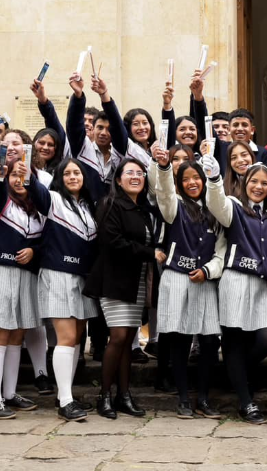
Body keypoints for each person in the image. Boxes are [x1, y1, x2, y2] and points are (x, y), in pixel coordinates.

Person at [203, 157, 267, 425]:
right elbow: (216, 203)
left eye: (264, 183)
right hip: (235, 279)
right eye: (254, 181)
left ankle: (235, 375)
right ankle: (246, 403)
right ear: (245, 183)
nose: (258, 186)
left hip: (262, 284)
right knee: (234, 340)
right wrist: (214, 178)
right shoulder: (233, 206)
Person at [154, 148, 225, 420]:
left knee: (209, 342)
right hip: (176, 279)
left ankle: (203, 398)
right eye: (186, 179)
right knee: (180, 341)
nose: (192, 183)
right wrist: (163, 169)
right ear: (179, 183)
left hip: (204, 281)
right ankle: (183, 399)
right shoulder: (174, 208)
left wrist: (208, 271)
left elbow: (221, 250)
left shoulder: (214, 212)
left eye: (197, 178)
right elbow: (164, 192)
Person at [84, 158, 155, 419]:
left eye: (140, 173)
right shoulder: (110, 203)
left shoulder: (142, 209)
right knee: (117, 338)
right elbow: (113, 241)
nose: (136, 176)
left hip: (135, 281)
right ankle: (103, 396)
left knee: (127, 341)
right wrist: (151, 252)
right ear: (118, 179)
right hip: (114, 280)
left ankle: (124, 396)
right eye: (130, 173)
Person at [32, 157, 99, 421]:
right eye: (68, 173)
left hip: (82, 278)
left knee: (77, 339)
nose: (73, 177)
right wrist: (25, 163)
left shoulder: (88, 206)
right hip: (58, 274)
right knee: (66, 338)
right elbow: (33, 188)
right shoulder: (52, 200)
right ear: (60, 177)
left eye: (77, 173)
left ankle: (65, 394)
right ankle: (66, 402)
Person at [0, 158, 44, 419]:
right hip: (0, 271)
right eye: (14, 177)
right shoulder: (0, 203)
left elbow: (48, 242)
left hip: (26, 275)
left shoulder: (38, 210)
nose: (19, 182)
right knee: (0, 332)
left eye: (24, 176)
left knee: (17, 334)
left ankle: (9, 393)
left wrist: (34, 251)